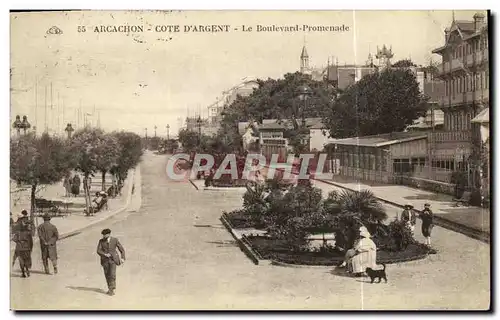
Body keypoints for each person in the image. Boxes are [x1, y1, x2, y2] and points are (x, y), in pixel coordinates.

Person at [96, 229, 126, 296]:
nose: (104, 236)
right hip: (105, 261)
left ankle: (111, 289)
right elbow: (98, 250)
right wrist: (105, 254)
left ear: (109, 234)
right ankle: (110, 288)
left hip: (113, 260)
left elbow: (121, 249)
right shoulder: (101, 241)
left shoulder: (114, 240)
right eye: (103, 235)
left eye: (105, 235)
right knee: (107, 275)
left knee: (112, 274)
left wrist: (123, 258)